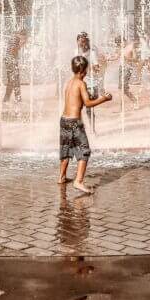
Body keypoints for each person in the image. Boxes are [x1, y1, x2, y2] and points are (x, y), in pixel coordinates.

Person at [59, 55, 112, 195]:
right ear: (83, 70)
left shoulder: (69, 82)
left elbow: (78, 100)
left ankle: (62, 177)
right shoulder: (81, 84)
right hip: (75, 123)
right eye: (87, 69)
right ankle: (79, 181)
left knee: (66, 149)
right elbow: (87, 103)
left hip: (64, 120)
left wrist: (92, 96)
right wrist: (103, 99)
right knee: (84, 151)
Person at [2, 29, 26, 104]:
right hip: (11, 61)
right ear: (23, 35)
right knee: (14, 80)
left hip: (9, 61)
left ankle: (14, 98)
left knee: (13, 80)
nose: (25, 39)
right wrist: (22, 44)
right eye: (25, 37)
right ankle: (11, 99)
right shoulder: (16, 38)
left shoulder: (14, 37)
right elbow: (13, 50)